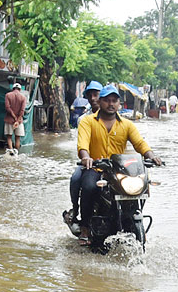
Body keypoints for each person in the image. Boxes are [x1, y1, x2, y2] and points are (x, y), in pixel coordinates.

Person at [69, 84, 163, 234]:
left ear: (119, 104)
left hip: (118, 170)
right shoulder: (88, 122)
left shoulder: (127, 125)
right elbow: (83, 144)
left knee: (140, 188)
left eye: (114, 100)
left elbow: (139, 143)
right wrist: (86, 157)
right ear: (100, 102)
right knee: (88, 187)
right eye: (107, 100)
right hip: (95, 167)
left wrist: (152, 156)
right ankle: (85, 225)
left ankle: (131, 217)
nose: (111, 104)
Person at [65, 81, 107, 223]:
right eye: (90, 95)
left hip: (111, 163)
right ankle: (76, 209)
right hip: (90, 161)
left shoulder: (115, 117)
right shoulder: (84, 119)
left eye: (96, 95)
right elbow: (82, 143)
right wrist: (86, 156)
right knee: (76, 179)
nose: (93, 98)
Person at [4, 81, 28, 155]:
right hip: (19, 121)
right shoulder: (23, 97)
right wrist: (17, 119)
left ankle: (11, 150)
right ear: (20, 89)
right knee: (17, 138)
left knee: (9, 137)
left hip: (9, 119)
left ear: (13, 88)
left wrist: (13, 116)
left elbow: (7, 107)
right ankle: (16, 152)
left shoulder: (8, 95)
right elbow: (22, 110)